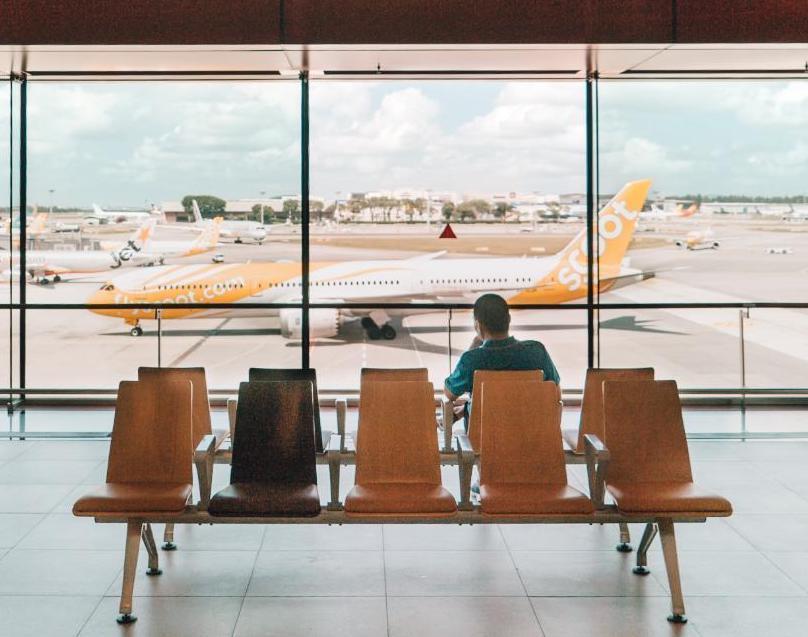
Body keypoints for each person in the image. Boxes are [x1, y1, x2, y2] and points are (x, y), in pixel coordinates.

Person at [444, 293, 560, 421]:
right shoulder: (537, 351)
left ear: (478, 326)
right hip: (532, 431)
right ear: (509, 319)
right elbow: (555, 393)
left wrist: (473, 348)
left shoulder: (471, 360)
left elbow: (450, 393)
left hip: (485, 433)